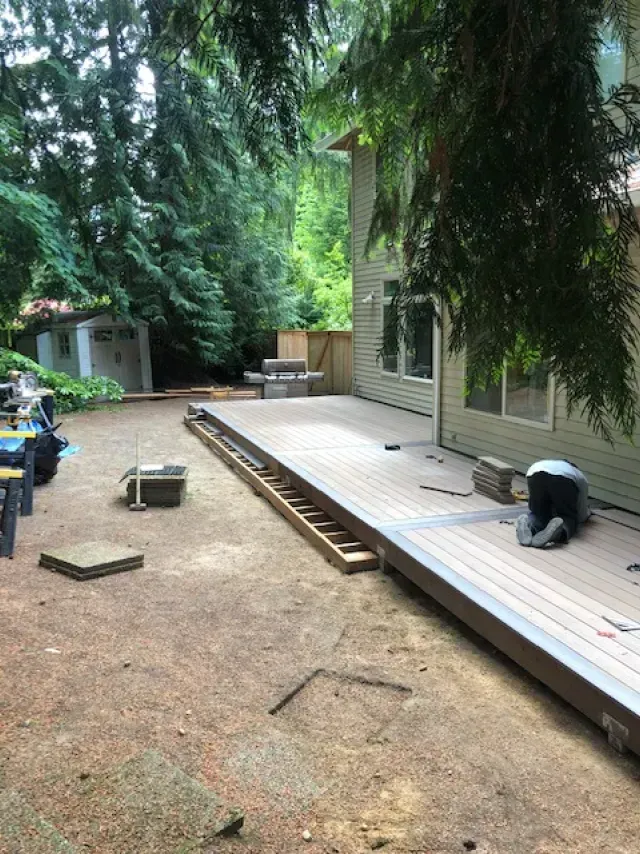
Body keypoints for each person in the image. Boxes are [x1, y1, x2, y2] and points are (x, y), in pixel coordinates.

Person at [516, 459, 590, 548]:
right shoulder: (579, 475)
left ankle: (528, 524)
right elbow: (582, 506)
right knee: (568, 517)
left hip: (534, 471)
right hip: (563, 478)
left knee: (538, 513)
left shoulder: (547, 463)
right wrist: (581, 517)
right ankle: (559, 532)